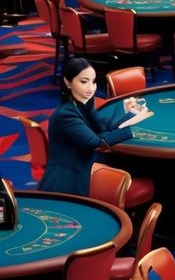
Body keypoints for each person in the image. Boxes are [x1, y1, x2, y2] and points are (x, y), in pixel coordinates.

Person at [38, 56, 154, 196]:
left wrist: (130, 114)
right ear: (68, 83)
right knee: (141, 166)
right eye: (83, 82)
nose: (90, 88)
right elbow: (96, 142)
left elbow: (101, 126)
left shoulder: (82, 104)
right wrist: (130, 130)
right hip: (71, 178)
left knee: (137, 164)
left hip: (87, 163)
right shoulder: (65, 115)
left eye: (93, 82)